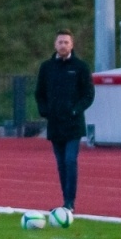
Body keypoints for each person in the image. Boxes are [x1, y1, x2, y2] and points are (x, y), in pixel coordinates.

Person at [34, 29, 94, 211]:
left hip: (73, 124)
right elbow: (39, 93)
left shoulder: (80, 67)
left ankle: (70, 202)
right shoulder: (47, 67)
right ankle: (65, 200)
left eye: (66, 42)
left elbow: (88, 94)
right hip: (55, 124)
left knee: (70, 160)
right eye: (60, 42)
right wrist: (45, 111)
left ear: (72, 45)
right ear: (55, 45)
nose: (63, 45)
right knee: (61, 164)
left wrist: (76, 110)